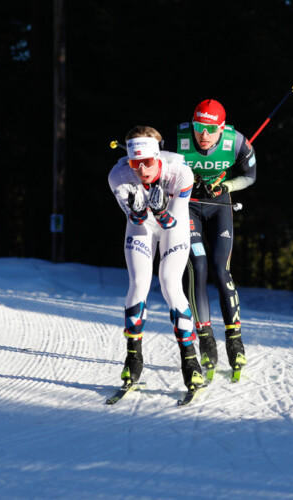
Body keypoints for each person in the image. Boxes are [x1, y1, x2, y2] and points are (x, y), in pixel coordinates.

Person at [108, 125, 203, 392]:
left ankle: (190, 361)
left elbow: (172, 222)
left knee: (169, 282)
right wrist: (138, 212)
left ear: (158, 156)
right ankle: (133, 358)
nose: (141, 169)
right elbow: (133, 217)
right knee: (139, 284)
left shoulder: (180, 172)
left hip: (173, 222)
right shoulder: (118, 175)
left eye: (147, 162)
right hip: (144, 224)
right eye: (134, 162)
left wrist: (160, 210)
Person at [176, 99, 257, 381]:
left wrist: (226, 185)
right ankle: (206, 339)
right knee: (197, 265)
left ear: (221, 127)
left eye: (211, 129)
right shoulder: (180, 138)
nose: (204, 135)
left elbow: (250, 175)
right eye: (199, 127)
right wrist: (185, 181)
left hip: (220, 206)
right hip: (189, 207)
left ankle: (235, 341)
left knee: (221, 269)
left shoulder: (237, 142)